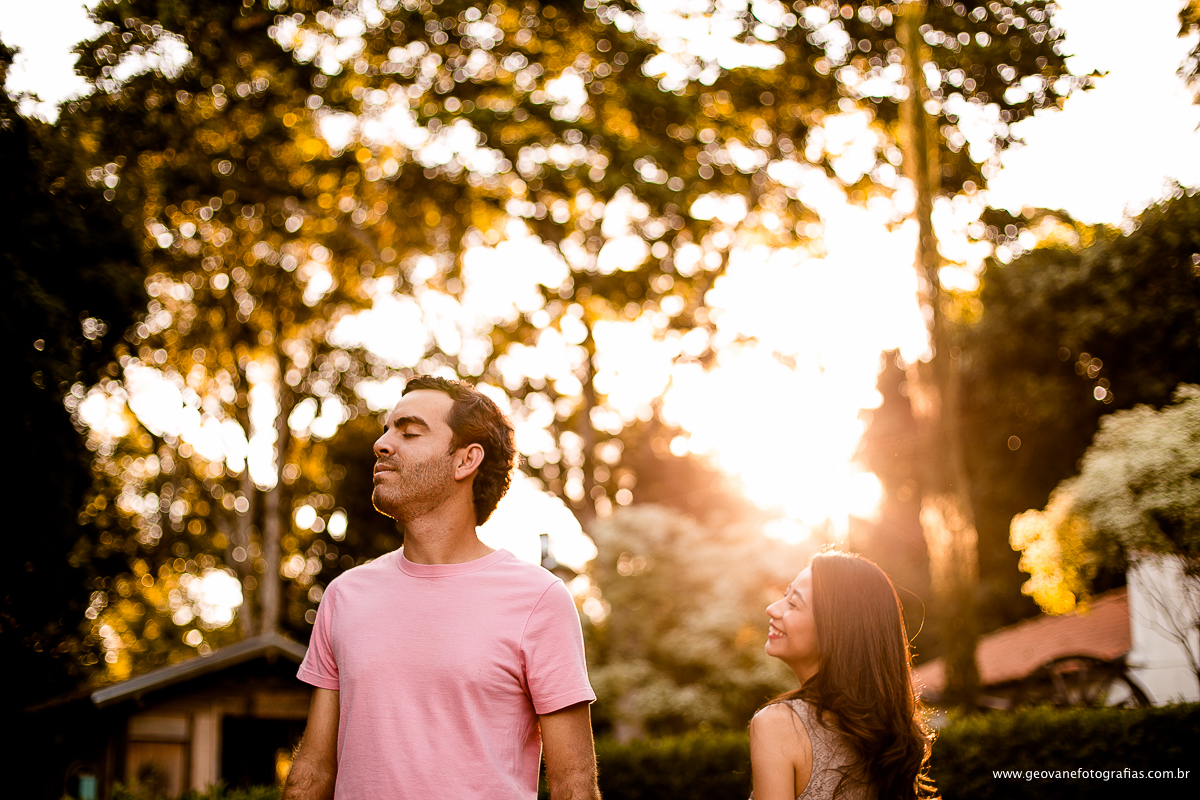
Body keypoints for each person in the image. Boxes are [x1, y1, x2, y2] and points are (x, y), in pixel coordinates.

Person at [283, 375, 600, 800]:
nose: (382, 444)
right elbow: (314, 769)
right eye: (386, 430)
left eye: (409, 432)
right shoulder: (344, 596)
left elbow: (572, 783)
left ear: (465, 460)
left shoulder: (538, 600)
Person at [749, 551, 935, 800]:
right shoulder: (890, 733)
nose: (772, 609)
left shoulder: (777, 725)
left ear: (834, 629)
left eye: (793, 603)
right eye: (785, 596)